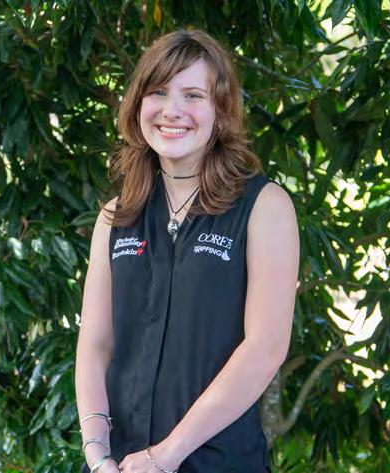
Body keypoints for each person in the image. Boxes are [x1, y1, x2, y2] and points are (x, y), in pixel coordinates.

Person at [74, 29, 299, 473]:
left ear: (221, 111)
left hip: (218, 463)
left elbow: (265, 348)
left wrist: (165, 456)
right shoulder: (115, 216)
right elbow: (96, 345)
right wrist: (97, 454)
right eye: (158, 92)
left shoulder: (264, 206)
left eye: (192, 95)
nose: (172, 110)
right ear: (138, 105)